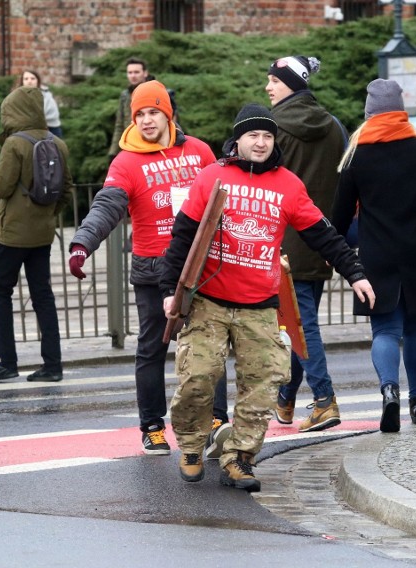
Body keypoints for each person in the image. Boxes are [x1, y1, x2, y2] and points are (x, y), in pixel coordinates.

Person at [161, 103, 375, 491]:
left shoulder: (288, 185)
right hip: (209, 299)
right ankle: (191, 446)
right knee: (197, 378)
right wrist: (168, 290)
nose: (260, 143)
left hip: (260, 305)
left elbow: (323, 234)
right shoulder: (213, 176)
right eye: (252, 135)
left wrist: (355, 272)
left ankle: (240, 458)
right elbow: (183, 236)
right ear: (238, 139)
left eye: (267, 136)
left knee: (260, 388)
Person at [68, 80, 217, 455]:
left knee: (208, 345)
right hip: (153, 267)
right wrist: (82, 243)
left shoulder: (199, 152)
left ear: (168, 114)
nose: (147, 120)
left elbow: (221, 202)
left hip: (198, 265)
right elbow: (106, 207)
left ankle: (217, 419)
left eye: (154, 112)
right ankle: (152, 426)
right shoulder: (126, 162)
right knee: (152, 348)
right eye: (140, 114)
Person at [331, 79, 416, 433]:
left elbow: (338, 215)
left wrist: (334, 251)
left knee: (384, 330)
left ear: (369, 113)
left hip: (376, 255)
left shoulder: (357, 153)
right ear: (401, 109)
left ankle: (389, 391)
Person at [265, 55, 347, 432]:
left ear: (292, 86)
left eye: (275, 82)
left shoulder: (271, 128)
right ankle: (285, 399)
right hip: (321, 235)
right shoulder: (334, 126)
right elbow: (345, 180)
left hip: (283, 239)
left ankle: (324, 400)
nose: (269, 87)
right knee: (298, 319)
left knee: (302, 322)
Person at [0, 86, 73, 383]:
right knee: (42, 295)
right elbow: (67, 190)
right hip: (42, 234)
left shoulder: (14, 144)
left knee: (2, 292)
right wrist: (46, 215)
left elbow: (2, 187)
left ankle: (7, 362)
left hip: (12, 236)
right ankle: (53, 365)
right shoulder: (57, 143)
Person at [21, 70, 63, 138]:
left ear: (38, 80)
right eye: (26, 79)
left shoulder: (45, 95)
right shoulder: (19, 96)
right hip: (27, 130)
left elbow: (42, 114)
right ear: (22, 81)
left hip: (50, 128)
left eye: (32, 78)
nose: (29, 81)